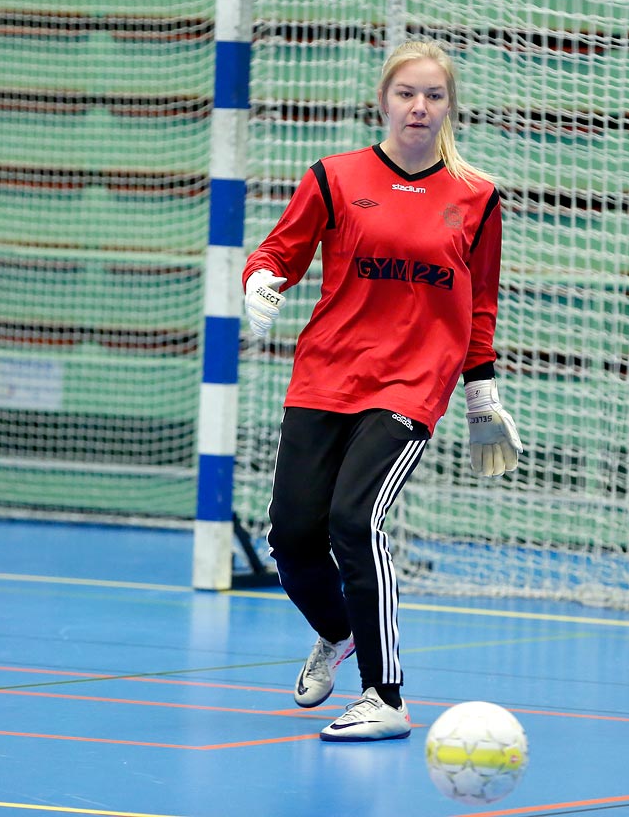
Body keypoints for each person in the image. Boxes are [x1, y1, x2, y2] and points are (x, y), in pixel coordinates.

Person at [241, 39, 524, 742]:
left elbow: (478, 303)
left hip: (410, 384)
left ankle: (386, 695)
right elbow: (283, 249)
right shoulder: (335, 177)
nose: (419, 106)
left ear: (450, 106)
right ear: (384, 100)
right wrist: (260, 278)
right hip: (326, 373)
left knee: (353, 520)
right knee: (291, 538)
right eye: (406, 93)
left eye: (433, 94)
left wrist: (481, 394)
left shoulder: (478, 197)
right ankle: (337, 631)